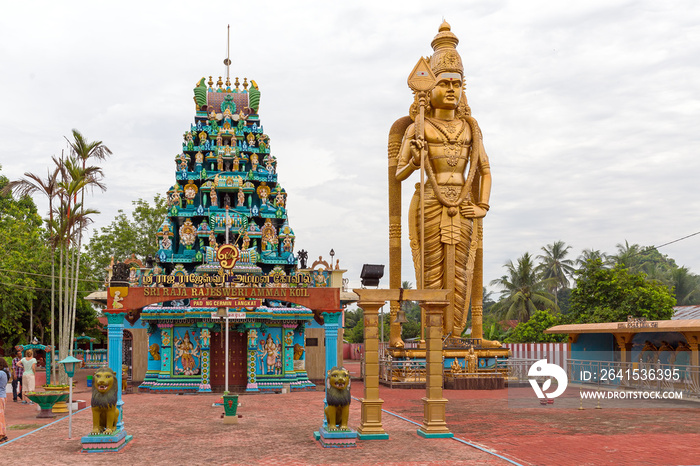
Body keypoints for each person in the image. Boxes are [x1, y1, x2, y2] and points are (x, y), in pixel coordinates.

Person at [396, 21, 492, 339]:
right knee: (430, 271)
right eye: (444, 83)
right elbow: (399, 173)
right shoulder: (418, 127)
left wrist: (482, 206)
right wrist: (414, 157)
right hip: (429, 202)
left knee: (464, 270)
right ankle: (430, 336)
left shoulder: (471, 129)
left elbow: (485, 170)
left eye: (457, 84)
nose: (451, 90)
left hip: (463, 205)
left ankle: (460, 333)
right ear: (429, 88)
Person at [0, 357, 9, 443]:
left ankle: (1, 435)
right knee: (1, 416)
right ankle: (4, 434)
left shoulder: (0, 373)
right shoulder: (5, 372)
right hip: (3, 395)